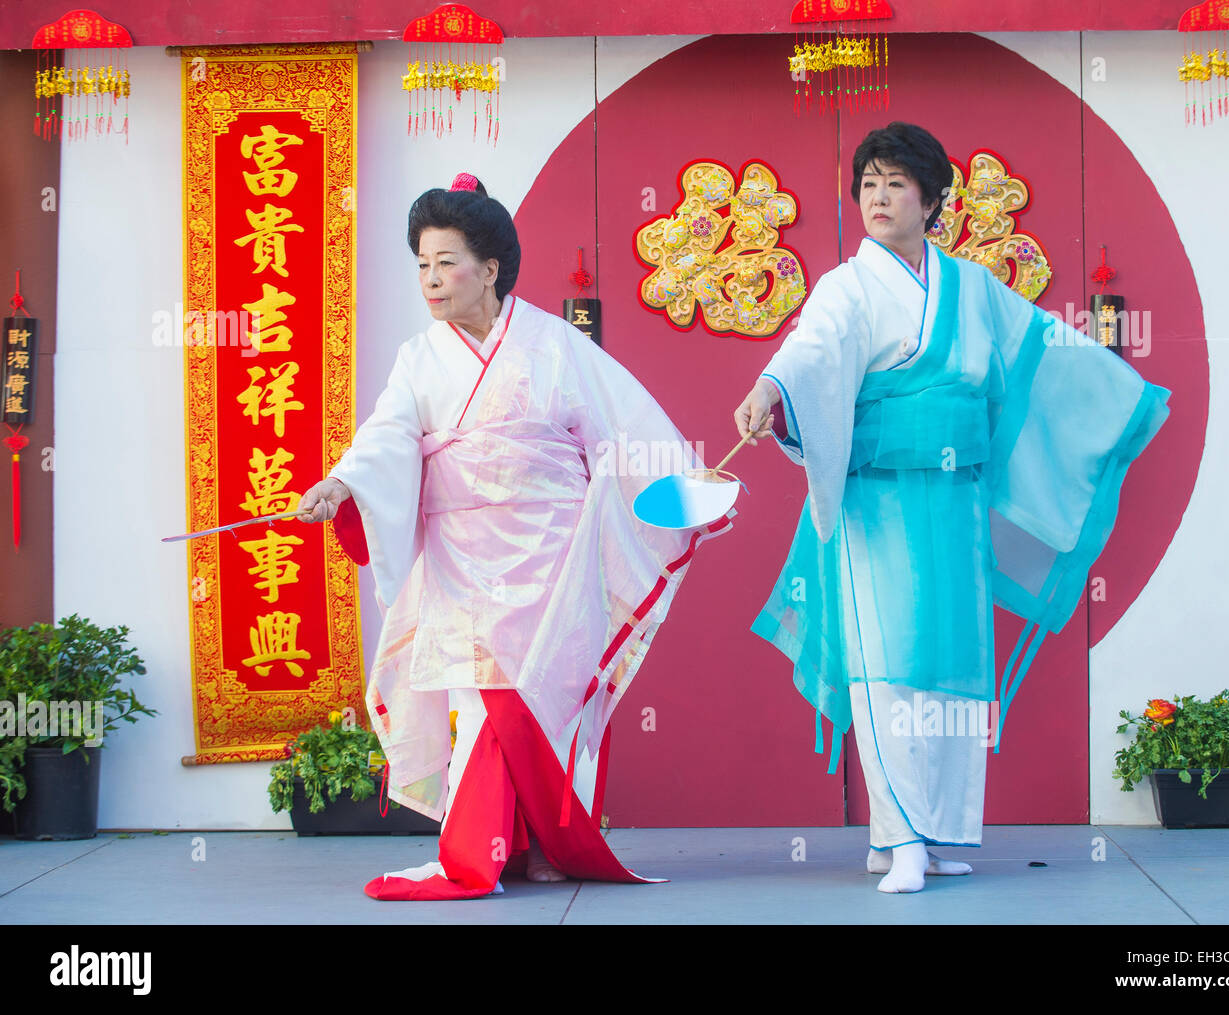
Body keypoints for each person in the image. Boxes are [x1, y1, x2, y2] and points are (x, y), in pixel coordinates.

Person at [734, 122, 1170, 893]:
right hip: (879, 501)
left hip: (958, 501)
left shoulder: (971, 286)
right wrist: (771, 387)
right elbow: (811, 348)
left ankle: (927, 832)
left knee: (949, 668)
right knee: (886, 667)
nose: (878, 197)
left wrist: (1120, 399)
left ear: (933, 199)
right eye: (868, 183)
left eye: (896, 184)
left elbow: (1042, 350)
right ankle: (899, 833)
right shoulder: (847, 286)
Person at [299, 173, 729, 900]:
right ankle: (481, 851)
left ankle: (538, 847)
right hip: (461, 557)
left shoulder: (557, 346)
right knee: (482, 701)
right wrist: (344, 481)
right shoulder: (419, 358)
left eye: (445, 263)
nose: (430, 281)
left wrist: (690, 488)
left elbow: (625, 430)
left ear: (490, 269)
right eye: (422, 266)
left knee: (543, 700)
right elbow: (387, 434)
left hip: (551, 558)